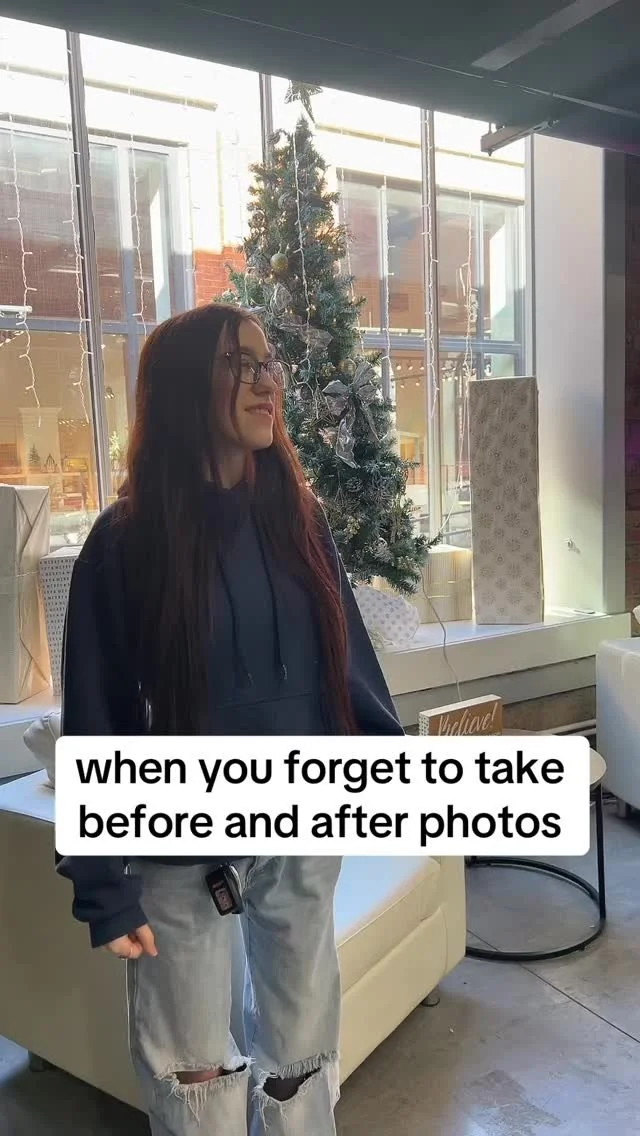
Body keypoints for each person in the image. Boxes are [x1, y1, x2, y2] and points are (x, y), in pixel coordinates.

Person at [56, 303, 404, 1136]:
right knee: (193, 1075)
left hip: (300, 825)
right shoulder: (124, 542)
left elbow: (347, 666)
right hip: (181, 849)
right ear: (184, 386)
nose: (264, 381)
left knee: (303, 1058)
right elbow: (95, 717)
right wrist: (103, 888)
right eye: (236, 363)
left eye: (267, 362)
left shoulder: (301, 521)